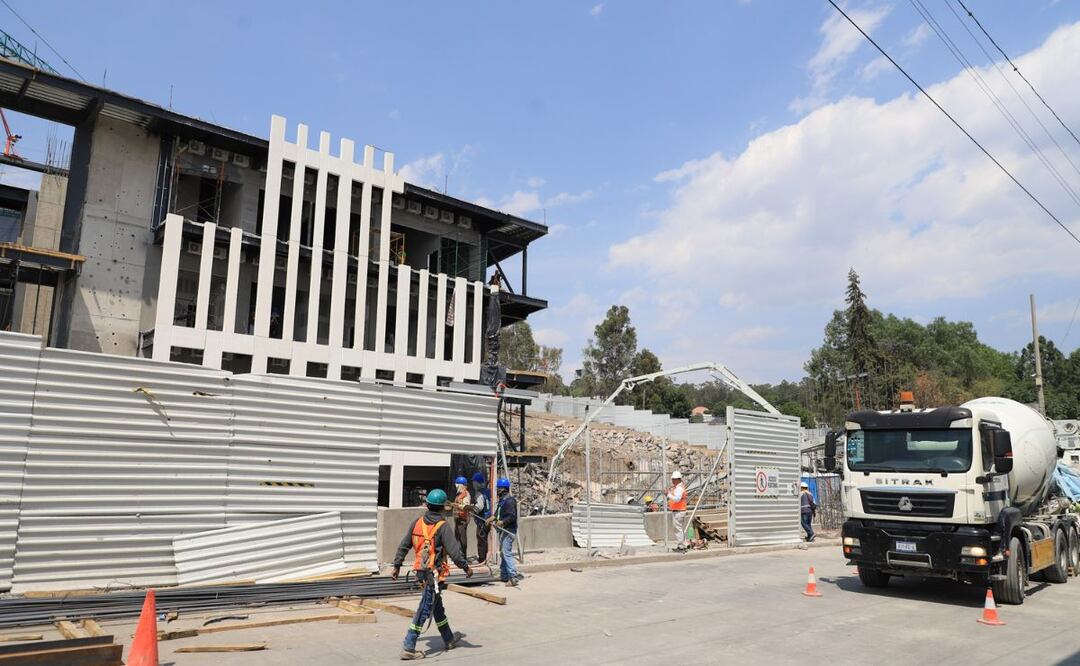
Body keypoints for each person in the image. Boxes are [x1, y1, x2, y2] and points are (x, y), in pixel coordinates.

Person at [392, 488, 473, 660]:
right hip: (433, 575)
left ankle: (448, 638)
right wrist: (466, 568)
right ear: (443, 508)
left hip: (421, 572)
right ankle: (409, 645)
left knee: (437, 607)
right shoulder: (442, 527)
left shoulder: (417, 522)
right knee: (424, 610)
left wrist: (397, 565)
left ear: (427, 505)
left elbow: (404, 545)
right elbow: (455, 552)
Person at [491, 477, 523, 586]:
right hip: (503, 530)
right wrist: (492, 518)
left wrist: (502, 522)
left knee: (506, 553)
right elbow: (498, 513)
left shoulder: (510, 501)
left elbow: (512, 517)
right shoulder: (503, 501)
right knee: (503, 553)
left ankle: (513, 577)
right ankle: (504, 575)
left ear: (503, 489)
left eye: (498, 488)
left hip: (509, 530)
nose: (497, 490)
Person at [471, 473, 491, 563]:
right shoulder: (488, 491)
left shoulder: (479, 493)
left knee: (481, 539)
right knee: (484, 539)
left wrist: (472, 510)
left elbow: (479, 506)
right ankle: (485, 557)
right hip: (488, 518)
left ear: (477, 483)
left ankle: (482, 558)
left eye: (474, 482)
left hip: (482, 519)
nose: (473, 484)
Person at [667, 471, 688, 552]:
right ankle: (683, 545)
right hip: (679, 511)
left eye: (674, 479)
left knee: (678, 530)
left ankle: (681, 546)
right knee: (680, 529)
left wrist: (667, 494)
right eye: (672, 479)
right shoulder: (679, 487)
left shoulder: (679, 488)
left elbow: (677, 499)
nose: (673, 481)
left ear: (678, 479)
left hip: (679, 511)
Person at [452, 476, 471, 556]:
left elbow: (466, 506)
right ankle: (458, 555)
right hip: (458, 519)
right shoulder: (459, 494)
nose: (456, 486)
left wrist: (455, 505)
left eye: (457, 485)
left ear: (461, 485)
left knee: (462, 539)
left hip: (462, 519)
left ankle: (463, 556)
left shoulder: (466, 494)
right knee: (457, 538)